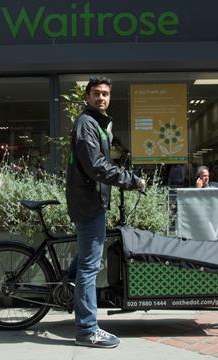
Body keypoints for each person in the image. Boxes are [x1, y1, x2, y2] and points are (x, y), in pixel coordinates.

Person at [66, 77, 145, 348]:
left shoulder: (98, 124)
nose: (102, 98)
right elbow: (96, 166)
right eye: (96, 93)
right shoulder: (87, 124)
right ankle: (87, 330)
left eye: (106, 94)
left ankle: (67, 286)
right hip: (88, 202)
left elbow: (101, 164)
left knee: (86, 256)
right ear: (87, 97)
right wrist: (131, 180)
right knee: (89, 266)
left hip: (91, 200)